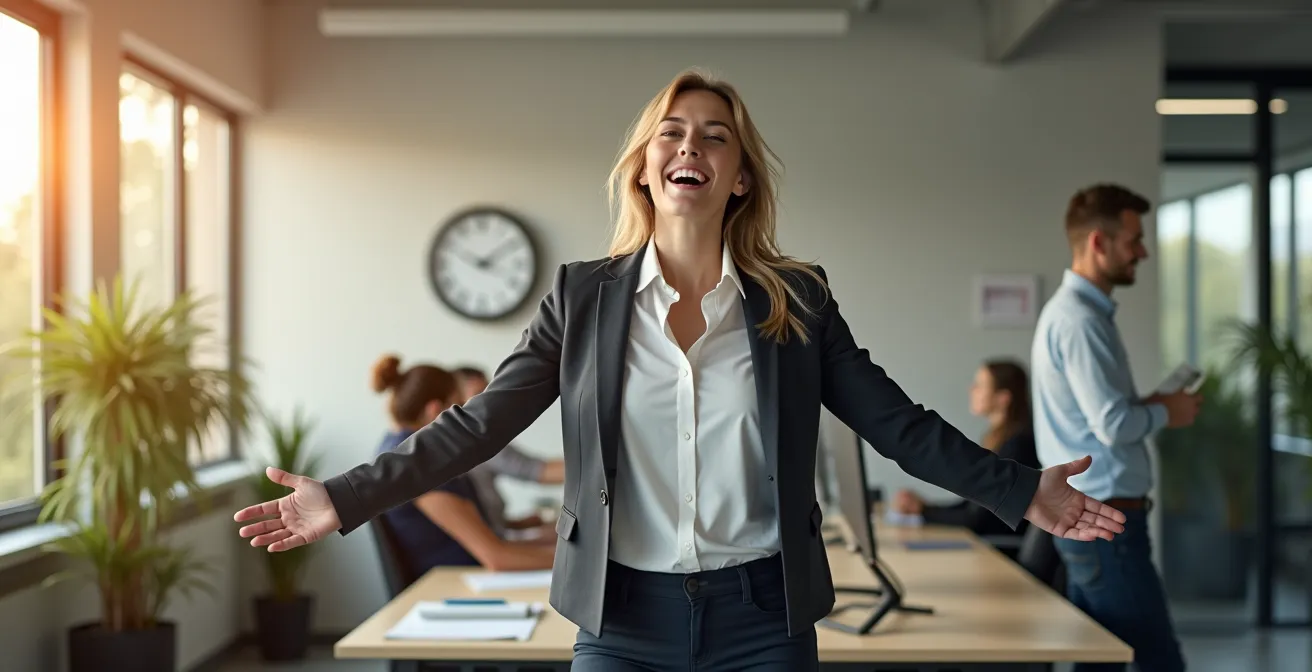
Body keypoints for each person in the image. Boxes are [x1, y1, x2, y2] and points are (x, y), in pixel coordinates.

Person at [236, 69, 1127, 671]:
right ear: (646, 168)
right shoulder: (581, 299)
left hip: (763, 618)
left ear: (738, 176)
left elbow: (895, 422)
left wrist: (1019, 490)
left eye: (713, 137)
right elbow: (475, 428)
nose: (689, 146)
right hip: (620, 620)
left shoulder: (796, 299)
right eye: (671, 133)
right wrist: (342, 498)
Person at [1030, 184, 1201, 672]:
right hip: (1108, 524)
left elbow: (1100, 417)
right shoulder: (1080, 320)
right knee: (1158, 662)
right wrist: (1170, 412)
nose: (1143, 252)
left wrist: (1153, 403)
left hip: (1098, 520)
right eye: (1134, 240)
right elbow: (1113, 425)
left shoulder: (1080, 316)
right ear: (1098, 243)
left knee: (1101, 661)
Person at [369, 355, 554, 574]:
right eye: (461, 408)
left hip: (469, 572)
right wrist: (588, 560)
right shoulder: (420, 463)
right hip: (460, 582)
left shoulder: (396, 447)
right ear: (435, 410)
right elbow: (497, 557)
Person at [891, 359, 1040, 538]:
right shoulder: (998, 438)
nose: (971, 390)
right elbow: (973, 504)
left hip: (998, 550)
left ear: (1003, 398)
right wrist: (924, 508)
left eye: (979, 385)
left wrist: (924, 512)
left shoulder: (1017, 446)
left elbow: (977, 519)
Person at [451, 365, 564, 541]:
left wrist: (516, 524)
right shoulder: (473, 440)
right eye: (478, 394)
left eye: (488, 392)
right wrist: (603, 466)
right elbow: (539, 471)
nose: (488, 403)